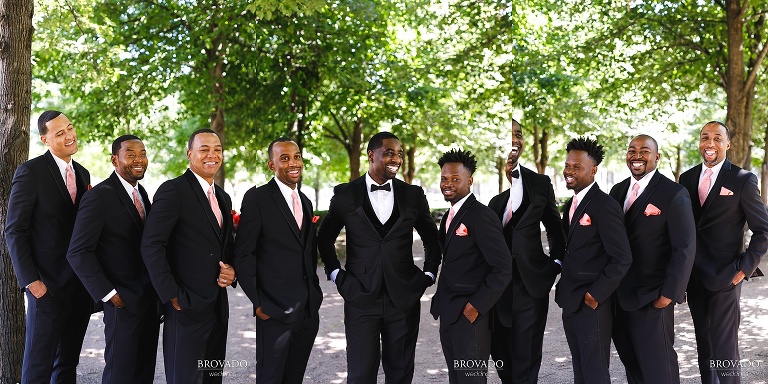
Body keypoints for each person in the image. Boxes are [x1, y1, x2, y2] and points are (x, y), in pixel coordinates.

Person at [317, 131, 441, 384]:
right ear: (371, 155)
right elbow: (324, 238)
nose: (396, 158)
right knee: (361, 374)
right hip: (360, 296)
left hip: (404, 297)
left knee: (401, 373)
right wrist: (336, 274)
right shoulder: (345, 194)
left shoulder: (413, 195)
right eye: (389, 153)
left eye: (399, 154)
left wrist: (428, 274)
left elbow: (432, 238)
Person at [141, 128, 237, 383]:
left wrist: (232, 268)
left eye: (217, 150)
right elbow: (152, 245)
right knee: (185, 378)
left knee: (211, 376)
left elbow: (225, 246)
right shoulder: (173, 191)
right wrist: (171, 294)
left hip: (218, 305)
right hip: (184, 304)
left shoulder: (223, 198)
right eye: (204, 149)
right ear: (189, 154)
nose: (212, 155)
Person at [5, 110, 93, 383]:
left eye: (69, 128)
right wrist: (31, 281)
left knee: (67, 363)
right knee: (38, 365)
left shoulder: (82, 172)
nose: (68, 135)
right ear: (45, 140)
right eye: (59, 133)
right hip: (46, 287)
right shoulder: (30, 172)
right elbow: (14, 230)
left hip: (79, 287)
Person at [66, 135, 160, 383]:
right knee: (120, 373)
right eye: (130, 154)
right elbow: (78, 252)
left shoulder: (144, 195)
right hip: (122, 302)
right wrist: (108, 294)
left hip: (149, 301)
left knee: (144, 372)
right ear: (114, 160)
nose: (138, 160)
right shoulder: (100, 196)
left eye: (142, 154)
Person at [679, 121, 768, 383]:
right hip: (694, 277)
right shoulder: (686, 178)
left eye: (717, 138)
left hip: (726, 276)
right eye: (705, 137)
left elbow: (763, 230)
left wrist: (743, 270)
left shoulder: (743, 179)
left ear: (727, 144)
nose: (710, 143)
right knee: (704, 347)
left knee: (725, 350)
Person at [234, 138, 323, 384]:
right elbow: (244, 254)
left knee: (294, 377)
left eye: (296, 157)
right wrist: (258, 303)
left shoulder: (305, 201)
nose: (293, 163)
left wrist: (314, 295)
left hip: (306, 311)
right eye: (284, 158)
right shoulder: (257, 198)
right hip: (273, 311)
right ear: (271, 165)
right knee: (270, 378)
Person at [608, 134, 696, 384]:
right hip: (618, 296)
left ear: (656, 157)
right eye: (632, 150)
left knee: (659, 368)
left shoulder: (674, 193)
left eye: (645, 151)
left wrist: (669, 294)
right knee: (632, 363)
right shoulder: (617, 191)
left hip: (653, 296)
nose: (637, 156)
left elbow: (685, 248)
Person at [487, 120, 565, 384]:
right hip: (498, 289)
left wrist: (555, 264)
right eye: (508, 136)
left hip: (531, 284)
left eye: (518, 135)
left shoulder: (540, 185)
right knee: (499, 351)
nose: (514, 139)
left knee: (527, 353)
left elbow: (556, 228)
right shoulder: (495, 203)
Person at [430, 149, 513, 384]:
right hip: (448, 312)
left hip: (470, 317)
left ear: (470, 181)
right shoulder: (449, 215)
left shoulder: (481, 216)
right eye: (444, 179)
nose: (448, 184)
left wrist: (475, 307)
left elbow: (502, 267)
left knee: (471, 380)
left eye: (455, 179)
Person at [555, 137, 632, 384]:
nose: (569, 171)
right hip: (571, 300)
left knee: (595, 372)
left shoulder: (605, 205)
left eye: (577, 167)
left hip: (593, 305)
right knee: (580, 369)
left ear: (593, 170)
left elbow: (622, 258)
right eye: (568, 165)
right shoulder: (571, 205)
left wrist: (595, 295)